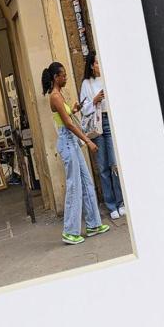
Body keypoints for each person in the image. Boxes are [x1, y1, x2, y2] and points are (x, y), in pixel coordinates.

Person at [42, 61, 109, 245]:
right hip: (67, 142)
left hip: (71, 142)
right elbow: (69, 124)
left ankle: (94, 224)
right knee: (74, 186)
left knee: (86, 182)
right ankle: (70, 231)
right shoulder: (55, 96)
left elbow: (66, 116)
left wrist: (74, 109)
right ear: (56, 77)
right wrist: (88, 141)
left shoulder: (59, 94)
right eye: (63, 75)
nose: (66, 78)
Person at [79, 52, 126, 219]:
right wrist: (95, 100)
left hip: (110, 121)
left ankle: (121, 202)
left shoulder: (107, 78)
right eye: (97, 62)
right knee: (103, 167)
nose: (100, 65)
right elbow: (84, 109)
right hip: (98, 125)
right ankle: (111, 204)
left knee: (114, 164)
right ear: (92, 65)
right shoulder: (87, 83)